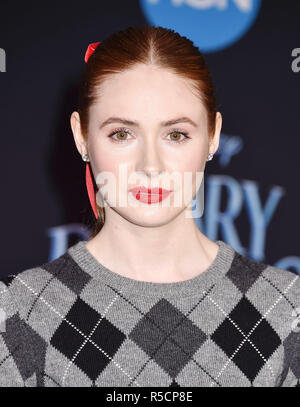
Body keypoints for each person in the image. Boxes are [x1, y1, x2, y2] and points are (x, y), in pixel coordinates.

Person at [0, 26, 299, 387]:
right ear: (82, 136)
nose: (150, 166)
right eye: (121, 134)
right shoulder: (18, 311)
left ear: (213, 136)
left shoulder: (287, 310)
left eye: (176, 135)